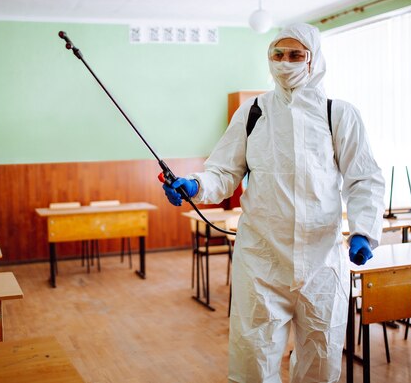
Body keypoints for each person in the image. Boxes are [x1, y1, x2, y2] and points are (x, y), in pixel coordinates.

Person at [162, 23, 385, 383]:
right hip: (262, 259)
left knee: (320, 359)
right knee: (254, 359)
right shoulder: (253, 112)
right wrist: (196, 184)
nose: (285, 63)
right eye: (277, 55)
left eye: (295, 55)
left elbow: (364, 178)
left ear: (314, 60)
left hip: (321, 260)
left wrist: (363, 231)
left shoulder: (338, 114)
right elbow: (223, 171)